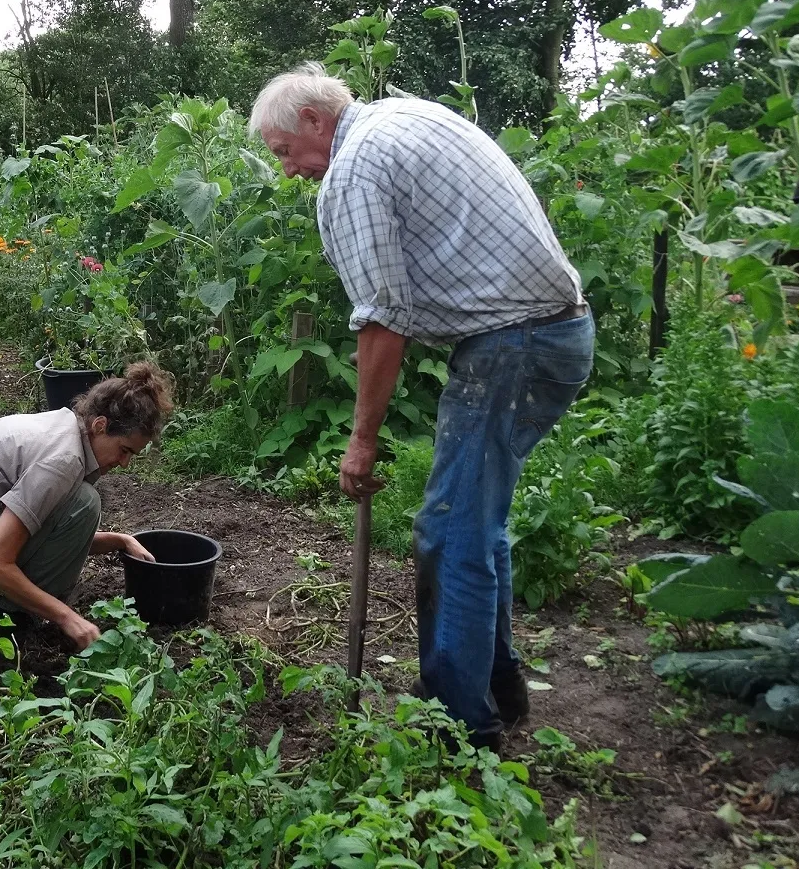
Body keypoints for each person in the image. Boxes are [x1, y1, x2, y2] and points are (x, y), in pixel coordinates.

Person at [249, 62, 593, 751]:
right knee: (477, 522)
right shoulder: (405, 116)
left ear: (314, 120)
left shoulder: (354, 167)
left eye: (285, 151)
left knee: (450, 528)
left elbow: (383, 318)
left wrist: (361, 439)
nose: (288, 170)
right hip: (554, 331)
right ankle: (499, 686)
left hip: (514, 343)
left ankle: (460, 727)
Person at [0, 361, 174, 649]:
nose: (125, 463)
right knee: (84, 503)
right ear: (100, 425)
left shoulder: (65, 428)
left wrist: (121, 540)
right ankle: (8, 618)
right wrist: (66, 617)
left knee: (80, 502)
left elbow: (50, 533)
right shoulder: (62, 461)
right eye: (124, 450)